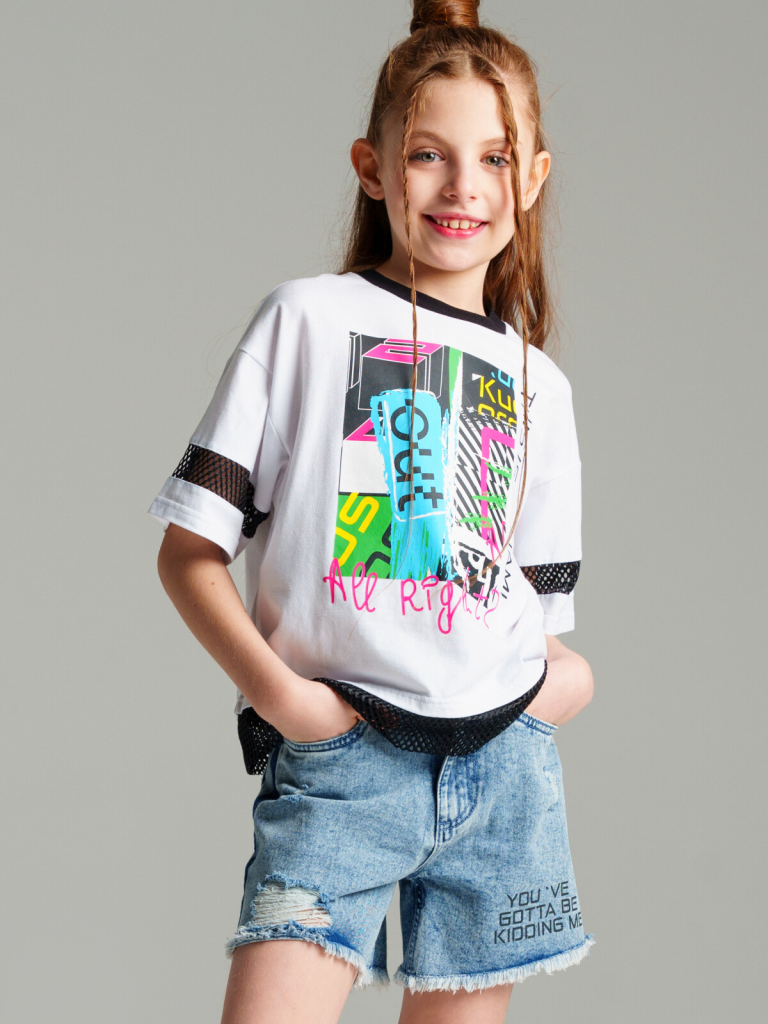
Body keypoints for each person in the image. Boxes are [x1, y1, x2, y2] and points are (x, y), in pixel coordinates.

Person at [148, 2, 595, 1021]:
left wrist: (563, 684)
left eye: (493, 158)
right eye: (429, 154)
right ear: (373, 166)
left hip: (500, 775)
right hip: (343, 763)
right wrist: (286, 700)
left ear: (532, 178)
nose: (462, 185)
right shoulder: (306, 320)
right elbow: (188, 553)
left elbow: (531, 615)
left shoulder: (541, 388)